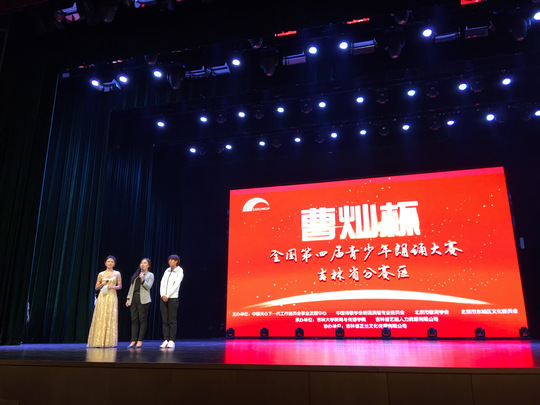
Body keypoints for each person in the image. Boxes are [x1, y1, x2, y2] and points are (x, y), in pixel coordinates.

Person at [87, 255, 122, 348]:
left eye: (112, 262)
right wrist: (101, 284)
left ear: (114, 264)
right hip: (102, 296)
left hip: (111, 296)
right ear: (105, 263)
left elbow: (120, 286)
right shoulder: (101, 274)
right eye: (108, 261)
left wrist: (112, 287)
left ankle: (108, 342)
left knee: (109, 317)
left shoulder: (117, 273)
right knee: (101, 317)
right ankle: (98, 340)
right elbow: (96, 287)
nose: (110, 263)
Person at [125, 258, 154, 348]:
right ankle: (133, 340)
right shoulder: (137, 274)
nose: (142, 264)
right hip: (134, 298)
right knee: (134, 320)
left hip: (143, 300)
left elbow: (148, 287)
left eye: (145, 263)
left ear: (148, 265)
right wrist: (128, 298)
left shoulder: (150, 275)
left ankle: (140, 340)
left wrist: (142, 279)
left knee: (142, 320)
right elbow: (131, 287)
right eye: (141, 263)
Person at [159, 254, 184, 348]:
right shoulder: (167, 270)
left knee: (172, 320)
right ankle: (166, 339)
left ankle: (172, 340)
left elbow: (176, 285)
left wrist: (168, 295)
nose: (169, 261)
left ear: (176, 261)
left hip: (172, 297)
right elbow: (162, 283)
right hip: (163, 297)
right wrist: (162, 294)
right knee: (164, 320)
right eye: (169, 260)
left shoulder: (179, 271)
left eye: (172, 260)